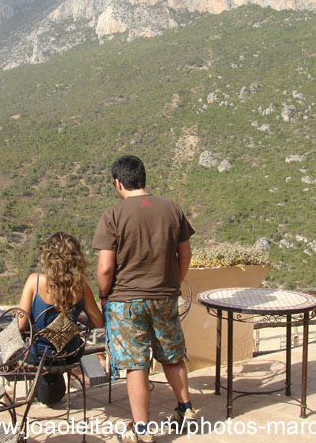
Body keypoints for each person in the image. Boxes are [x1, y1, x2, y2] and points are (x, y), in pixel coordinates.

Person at [92, 155, 196, 443]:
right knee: (172, 355)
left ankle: (141, 430)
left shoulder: (113, 215)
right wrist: (173, 283)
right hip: (164, 296)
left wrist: (105, 295)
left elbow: (105, 268)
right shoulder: (172, 209)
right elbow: (185, 254)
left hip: (126, 301)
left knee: (136, 364)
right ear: (143, 178)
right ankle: (186, 410)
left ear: (118, 182)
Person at [17, 231, 104, 405]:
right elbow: (98, 322)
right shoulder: (81, 288)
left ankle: (24, 391)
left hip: (40, 355)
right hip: (69, 354)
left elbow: (20, 324)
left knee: (16, 349)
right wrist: (71, 317)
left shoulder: (35, 281)